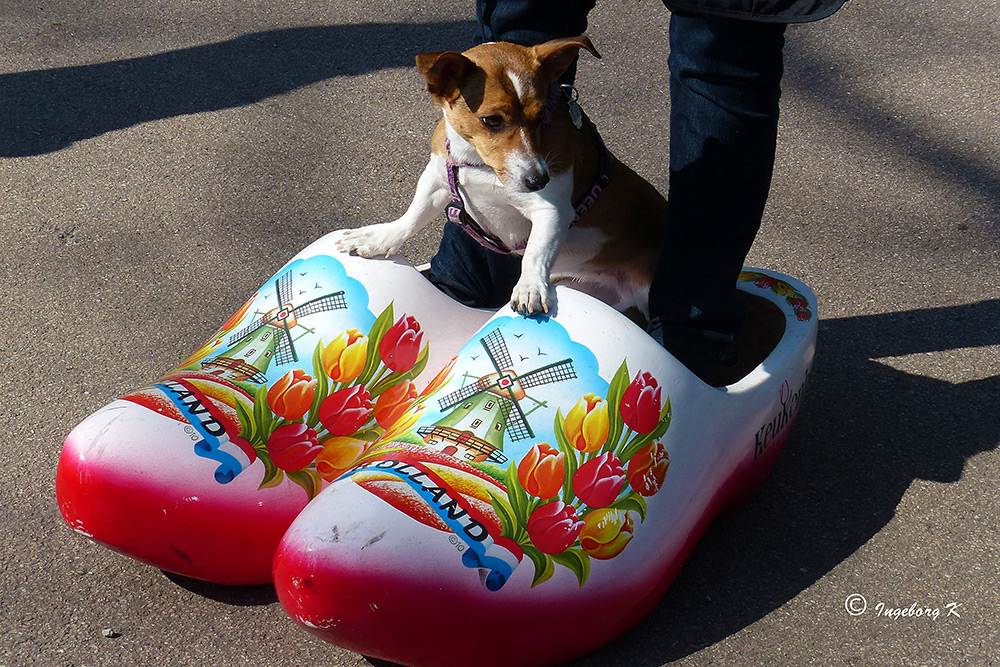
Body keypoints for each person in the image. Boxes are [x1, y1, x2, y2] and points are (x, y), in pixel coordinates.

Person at [427, 0, 846, 383]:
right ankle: (475, 279)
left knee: (724, 40)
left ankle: (689, 344)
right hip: (572, 260)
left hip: (623, 263)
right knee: (522, 22)